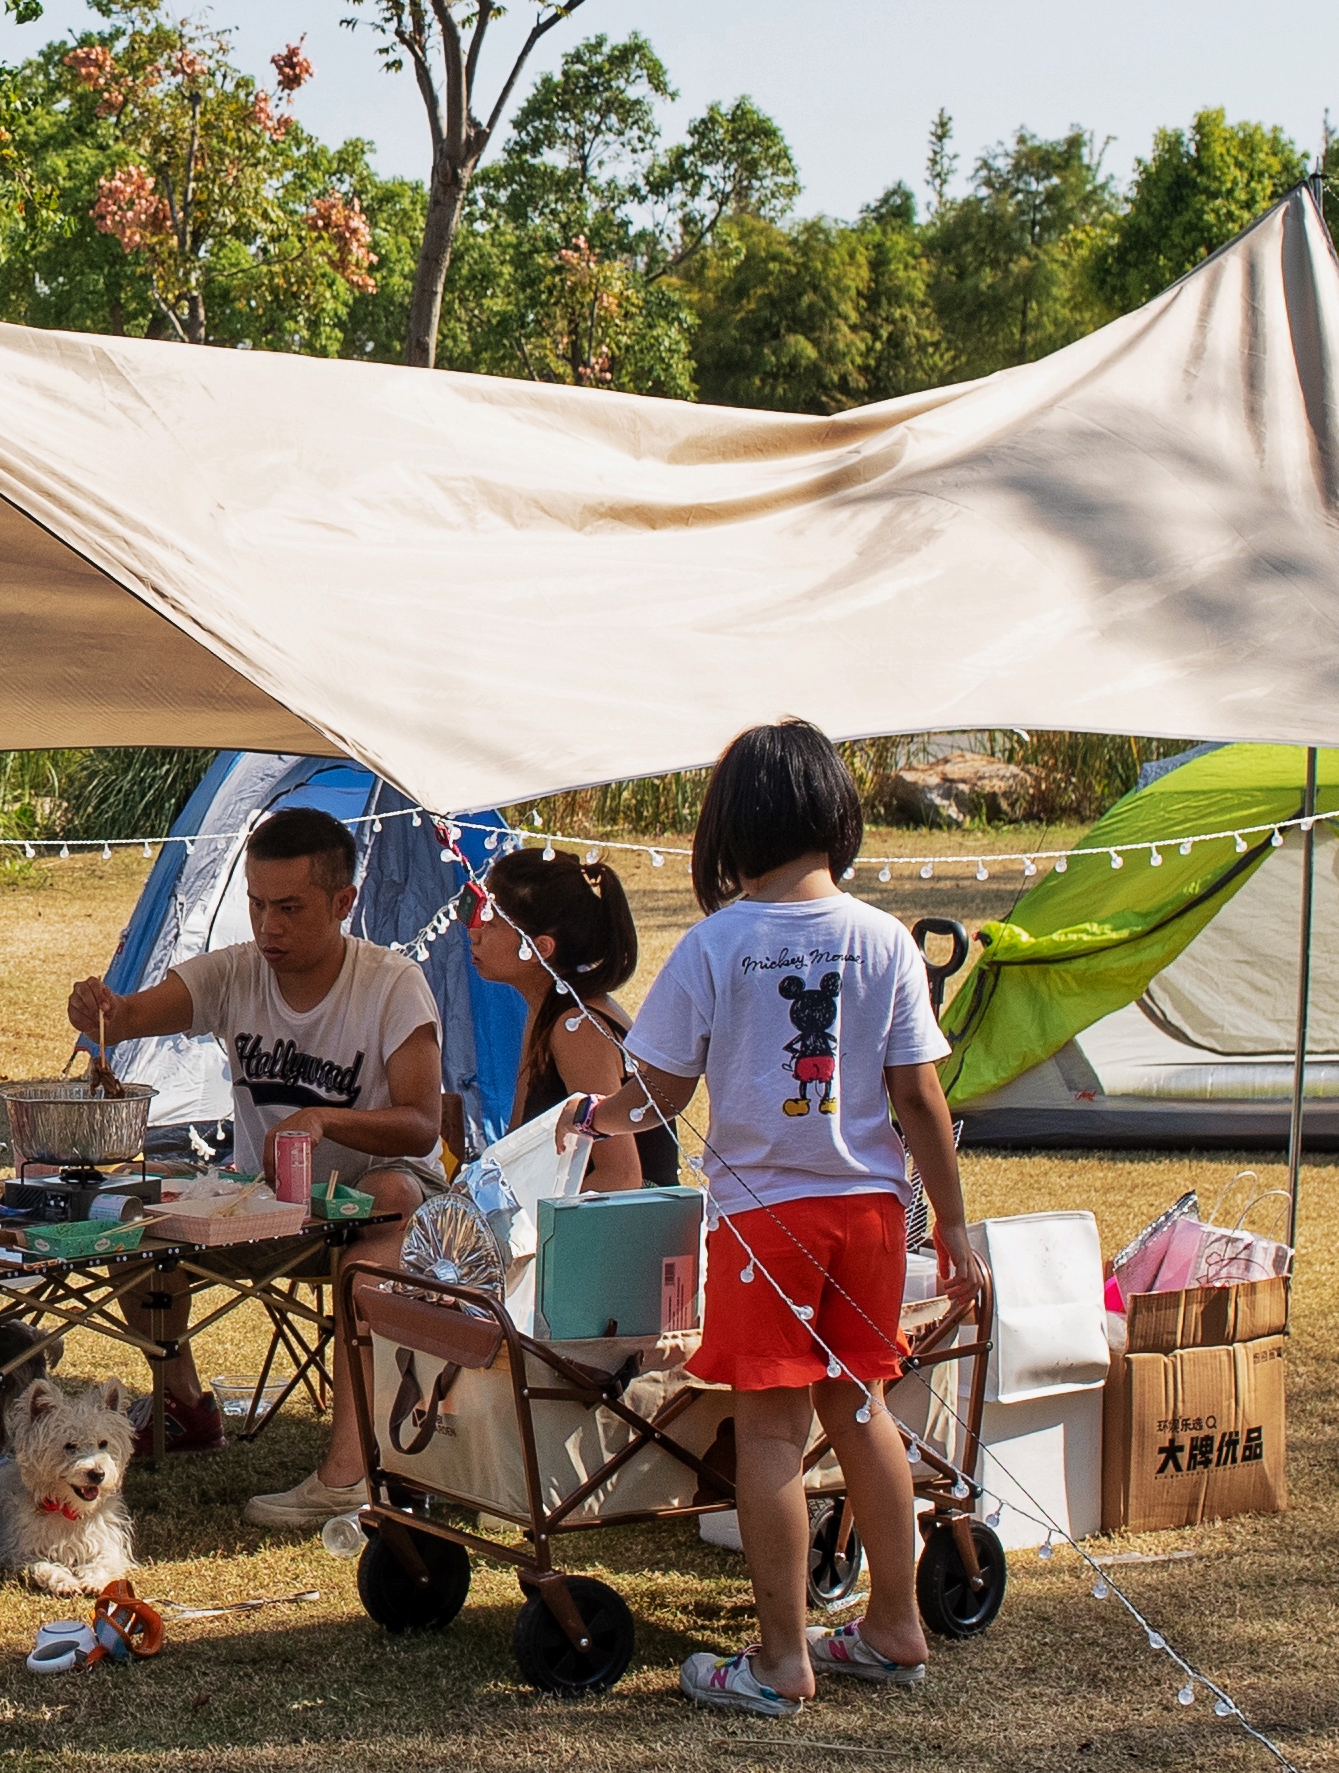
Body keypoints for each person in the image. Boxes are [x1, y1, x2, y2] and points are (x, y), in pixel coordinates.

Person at [580, 718, 977, 1718]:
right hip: (871, 1220)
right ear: (832, 816)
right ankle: (892, 1623)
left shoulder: (716, 946)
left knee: (767, 1435)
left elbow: (657, 1095)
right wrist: (957, 1232)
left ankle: (779, 1657)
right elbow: (921, 1100)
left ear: (730, 829)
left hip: (766, 1227)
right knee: (859, 1410)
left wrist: (592, 1112)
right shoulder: (885, 940)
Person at [65, 806, 445, 1532]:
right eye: (256, 905)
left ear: (343, 904)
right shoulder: (238, 971)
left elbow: (423, 1123)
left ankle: (348, 1470)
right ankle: (181, 1406)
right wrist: (100, 1008)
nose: (268, 926)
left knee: (388, 1194)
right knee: (131, 1205)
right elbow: (129, 1018)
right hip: (274, 1203)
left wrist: (328, 1119)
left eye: (290, 908)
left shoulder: (392, 985)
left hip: (382, 1196)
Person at [467, 850, 669, 1189]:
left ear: (540, 948)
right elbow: (513, 1149)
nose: (474, 933)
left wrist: (531, 1229)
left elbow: (623, 1178)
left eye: (490, 921)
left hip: (620, 1231)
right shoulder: (547, 1007)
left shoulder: (577, 1026)